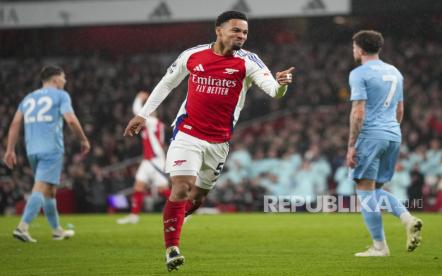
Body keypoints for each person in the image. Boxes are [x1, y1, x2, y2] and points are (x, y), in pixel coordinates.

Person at [124, 11, 294, 271]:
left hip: (219, 141)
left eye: (245, 32)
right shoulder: (192, 55)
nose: (241, 36)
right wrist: (143, 114)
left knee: (197, 197)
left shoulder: (248, 62)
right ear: (219, 30)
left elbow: (273, 91)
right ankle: (172, 248)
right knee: (181, 187)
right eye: (236, 30)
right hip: (187, 133)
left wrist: (281, 84)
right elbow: (167, 84)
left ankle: (177, 219)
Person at [346, 30, 422, 257]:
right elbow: (400, 110)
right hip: (393, 134)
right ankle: (407, 219)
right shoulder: (395, 72)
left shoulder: (359, 73)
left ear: (359, 48)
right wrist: (391, 130)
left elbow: (358, 112)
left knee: (364, 190)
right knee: (375, 189)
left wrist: (351, 145)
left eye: (353, 47)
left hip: (371, 135)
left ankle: (380, 246)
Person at [3, 65, 90, 243]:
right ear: (55, 79)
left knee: (49, 191)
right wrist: (83, 139)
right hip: (51, 149)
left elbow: (14, 124)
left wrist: (10, 149)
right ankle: (22, 227)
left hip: (32, 150)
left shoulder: (28, 98)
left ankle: (57, 230)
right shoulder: (61, 95)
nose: (65, 81)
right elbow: (71, 119)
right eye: (63, 78)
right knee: (40, 187)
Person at [117, 91, 170, 224]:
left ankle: (184, 211)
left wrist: (139, 98)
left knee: (163, 189)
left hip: (156, 160)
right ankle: (134, 216)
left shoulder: (152, 121)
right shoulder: (152, 125)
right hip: (148, 160)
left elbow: (137, 111)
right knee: (138, 186)